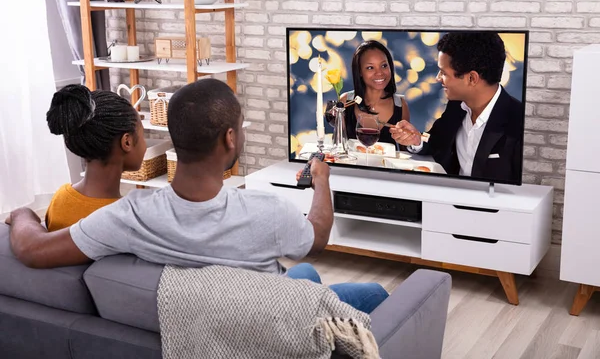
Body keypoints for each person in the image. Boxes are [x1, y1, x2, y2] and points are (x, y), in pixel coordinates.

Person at [7, 79, 388, 314]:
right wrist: (321, 180)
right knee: (371, 291)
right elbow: (317, 238)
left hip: (209, 312)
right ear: (230, 138)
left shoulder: (128, 217)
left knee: (305, 274)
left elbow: (32, 250)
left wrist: (23, 214)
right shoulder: (269, 212)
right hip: (267, 316)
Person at [391, 32, 524, 183]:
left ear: (471, 78)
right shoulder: (457, 106)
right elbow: (437, 143)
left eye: (443, 72)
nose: (437, 78)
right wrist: (416, 140)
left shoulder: (519, 123)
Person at [44, 84, 147, 231]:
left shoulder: (59, 199)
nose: (145, 144)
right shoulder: (127, 219)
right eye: (142, 135)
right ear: (127, 142)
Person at [340, 40, 410, 145]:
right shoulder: (345, 101)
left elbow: (405, 151)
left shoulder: (400, 104)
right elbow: (337, 146)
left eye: (384, 66)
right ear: (359, 72)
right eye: (370, 68)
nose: (379, 73)